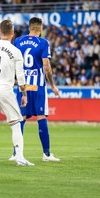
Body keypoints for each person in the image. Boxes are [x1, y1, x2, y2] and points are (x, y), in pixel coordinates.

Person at [0, 19, 34, 166]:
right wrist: (24, 94)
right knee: (16, 123)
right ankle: (20, 157)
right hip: (5, 90)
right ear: (12, 33)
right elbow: (21, 76)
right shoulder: (15, 51)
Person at [13, 17, 60, 162]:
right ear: (40, 28)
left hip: (22, 86)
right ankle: (46, 155)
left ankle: (15, 154)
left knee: (21, 119)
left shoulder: (18, 41)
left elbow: (12, 63)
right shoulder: (43, 42)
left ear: (29, 28)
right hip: (38, 86)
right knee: (41, 118)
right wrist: (52, 85)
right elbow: (46, 66)